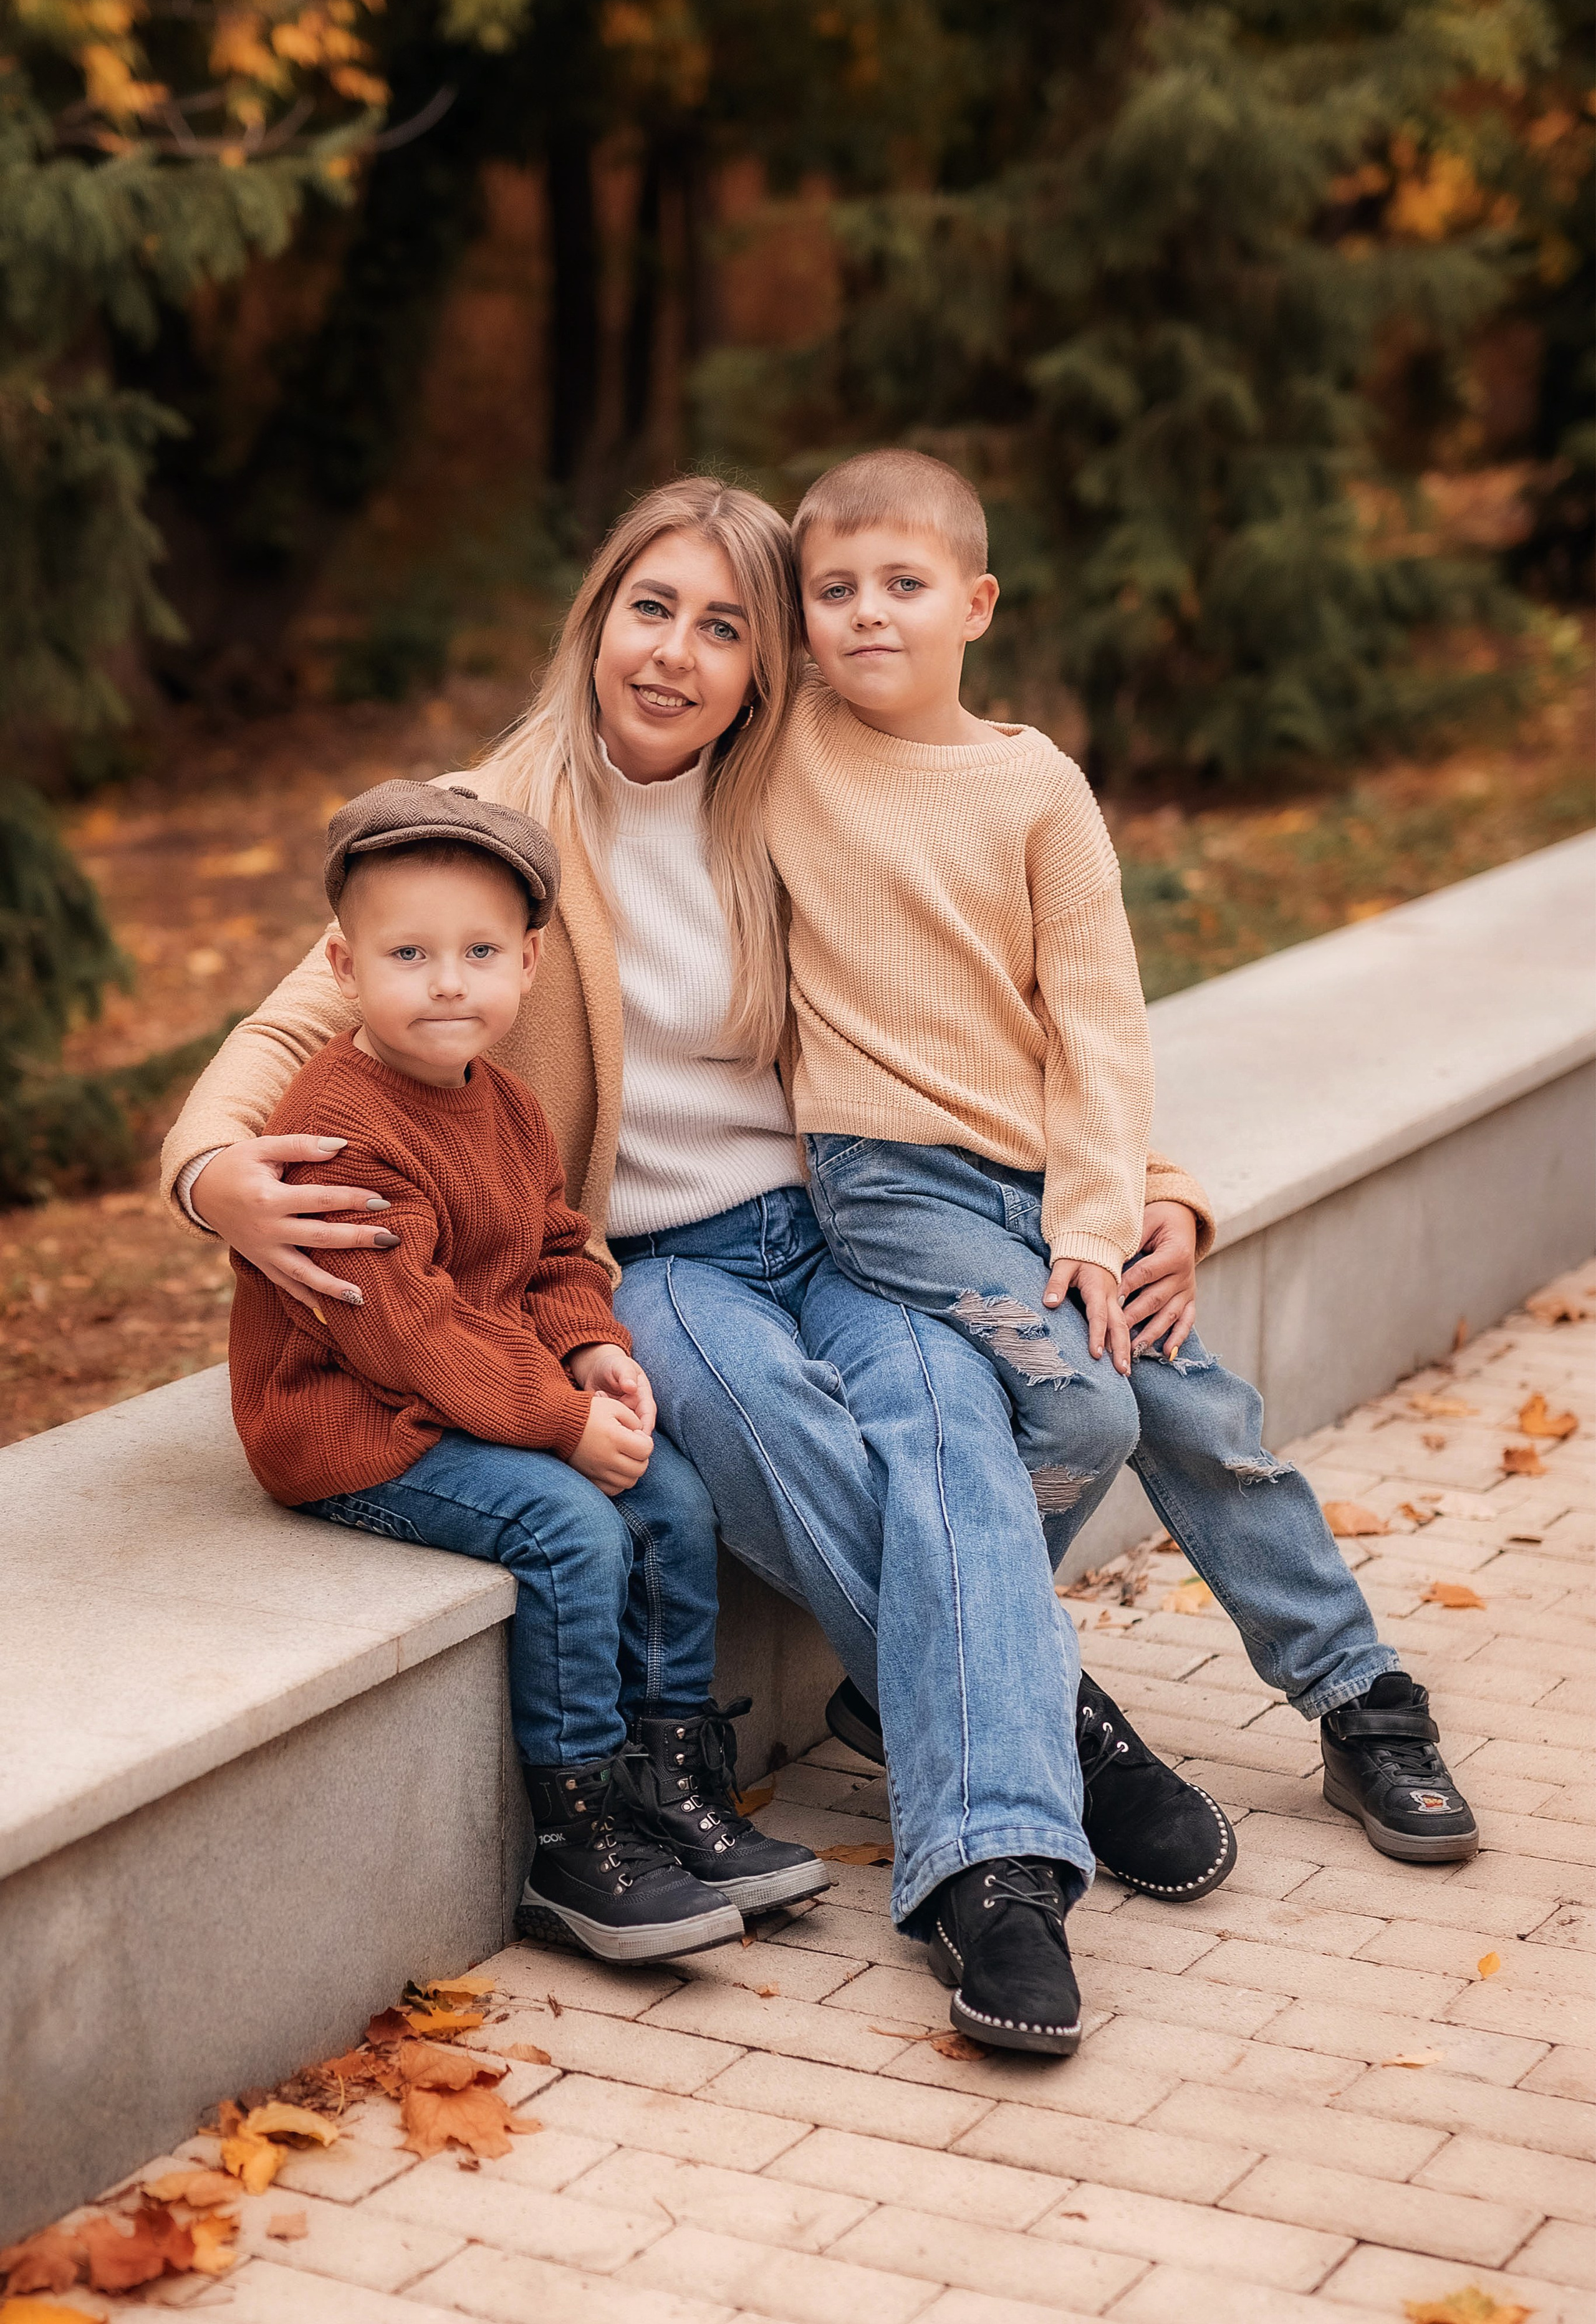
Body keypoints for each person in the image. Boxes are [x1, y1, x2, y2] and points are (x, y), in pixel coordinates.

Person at [161, 476, 1225, 2059]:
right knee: (790, 1430)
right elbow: (291, 1021)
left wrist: (1153, 1188)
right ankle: (1028, 1795)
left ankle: (997, 1813)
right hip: (649, 1266)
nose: (675, 654)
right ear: (597, 617)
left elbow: (997, 1001)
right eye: (649, 609)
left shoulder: (801, 792)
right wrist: (210, 1174)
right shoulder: (497, 821)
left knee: (942, 1425)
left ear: (764, 663)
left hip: (848, 1228)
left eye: (723, 625)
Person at [769, 446, 1479, 1874]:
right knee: (1084, 1407)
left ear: (974, 604)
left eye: (902, 584)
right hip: (884, 1179)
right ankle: (945, 1650)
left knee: (1198, 1407)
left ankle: (1357, 1698)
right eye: (830, 589)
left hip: (1042, 1185)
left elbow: (1095, 1029)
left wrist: (1115, 1213)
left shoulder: (1039, 790)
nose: (864, 614)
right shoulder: (780, 750)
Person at [228, 774, 827, 1964]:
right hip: (352, 1419)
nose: (448, 981)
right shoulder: (343, 1124)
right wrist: (557, 1423)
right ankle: (577, 1835)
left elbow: (552, 1249)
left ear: (529, 965)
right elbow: (403, 1329)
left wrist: (591, 1347)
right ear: (345, 969)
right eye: (409, 953)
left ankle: (668, 1776)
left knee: (672, 1498)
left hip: (474, 1390)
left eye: (478, 951)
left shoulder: (500, 1102)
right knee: (574, 1529)